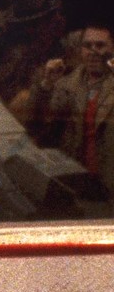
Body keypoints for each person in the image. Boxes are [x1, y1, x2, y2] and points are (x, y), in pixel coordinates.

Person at [25, 22, 114, 197]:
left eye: (100, 45)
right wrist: (47, 84)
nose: (94, 51)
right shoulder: (66, 85)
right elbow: (37, 125)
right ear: (81, 50)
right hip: (75, 183)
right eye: (88, 46)